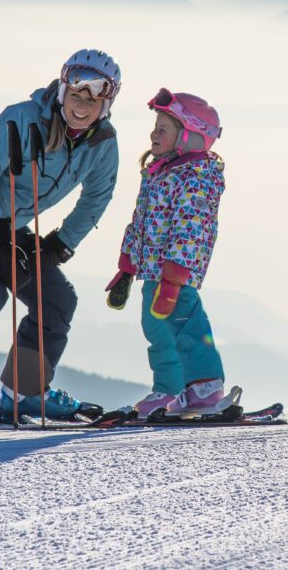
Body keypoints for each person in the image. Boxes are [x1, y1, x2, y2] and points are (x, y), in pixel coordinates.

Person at [0, 49, 121, 421]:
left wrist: (59, 247)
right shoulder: (22, 119)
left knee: (56, 300)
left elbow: (97, 197)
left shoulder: (103, 144)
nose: (82, 105)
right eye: (76, 94)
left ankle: (25, 392)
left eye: (95, 99)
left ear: (108, 104)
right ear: (62, 91)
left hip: (8, 220)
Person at [106, 87, 228, 418]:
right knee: (157, 328)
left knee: (185, 322)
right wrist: (127, 267)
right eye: (154, 127)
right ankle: (170, 389)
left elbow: (190, 229)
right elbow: (141, 221)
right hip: (152, 270)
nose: (153, 134)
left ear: (189, 136)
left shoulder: (196, 178)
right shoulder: (159, 172)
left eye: (163, 129)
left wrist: (175, 275)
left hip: (177, 271)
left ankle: (205, 385)